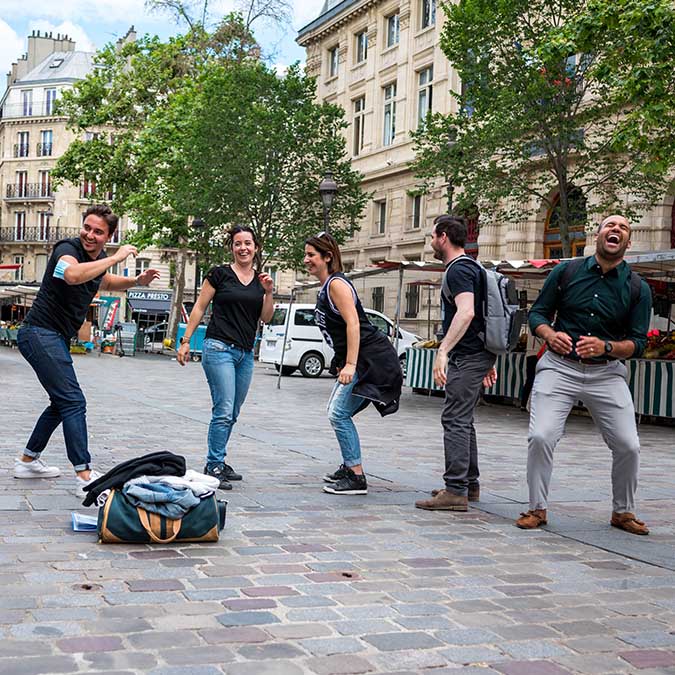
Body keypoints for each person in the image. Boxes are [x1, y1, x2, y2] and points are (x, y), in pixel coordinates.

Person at [516, 214, 652, 535]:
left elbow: (639, 343)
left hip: (606, 373)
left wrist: (606, 347)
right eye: (610, 225)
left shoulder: (637, 288)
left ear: (628, 243)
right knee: (541, 436)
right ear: (598, 235)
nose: (615, 230)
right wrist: (549, 335)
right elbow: (537, 313)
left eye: (622, 228)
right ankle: (537, 508)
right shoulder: (566, 271)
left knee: (628, 445)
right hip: (559, 367)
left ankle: (623, 512)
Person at [15, 204, 160, 495]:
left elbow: (104, 280)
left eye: (98, 231)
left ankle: (27, 461)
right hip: (39, 333)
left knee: (61, 402)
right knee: (73, 401)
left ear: (109, 235)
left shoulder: (100, 259)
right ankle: (84, 475)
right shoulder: (66, 249)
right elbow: (72, 275)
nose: (90, 235)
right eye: (87, 227)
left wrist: (135, 281)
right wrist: (117, 257)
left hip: (54, 337)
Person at [304, 231, 402, 496]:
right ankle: (350, 466)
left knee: (338, 413)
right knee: (336, 411)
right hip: (362, 359)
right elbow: (337, 333)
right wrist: (339, 361)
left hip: (372, 360)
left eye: (311, 255)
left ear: (328, 257)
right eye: (306, 254)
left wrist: (350, 364)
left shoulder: (337, 284)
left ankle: (356, 476)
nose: (306, 260)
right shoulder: (327, 286)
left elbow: (354, 324)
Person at [177, 226, 274, 490]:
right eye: (237, 244)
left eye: (248, 243)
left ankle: (219, 459)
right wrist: (185, 341)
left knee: (232, 411)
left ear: (256, 247)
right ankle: (214, 464)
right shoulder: (219, 275)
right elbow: (199, 307)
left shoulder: (261, 280)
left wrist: (268, 291)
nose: (243, 248)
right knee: (223, 409)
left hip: (245, 353)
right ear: (231, 248)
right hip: (219, 348)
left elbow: (265, 318)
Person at [415, 215, 497, 512]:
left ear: (444, 237)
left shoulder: (459, 270)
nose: (432, 242)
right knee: (464, 418)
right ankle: (467, 484)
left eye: (433, 236)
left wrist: (443, 351)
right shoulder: (473, 266)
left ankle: (456, 491)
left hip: (468, 356)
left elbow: (467, 312)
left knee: (455, 419)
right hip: (478, 353)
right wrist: (489, 357)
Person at [520, 332, 544, 410]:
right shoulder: (541, 324)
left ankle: (524, 403)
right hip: (538, 353)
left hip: (530, 353)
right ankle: (530, 404)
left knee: (530, 379)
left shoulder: (532, 324)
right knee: (536, 380)